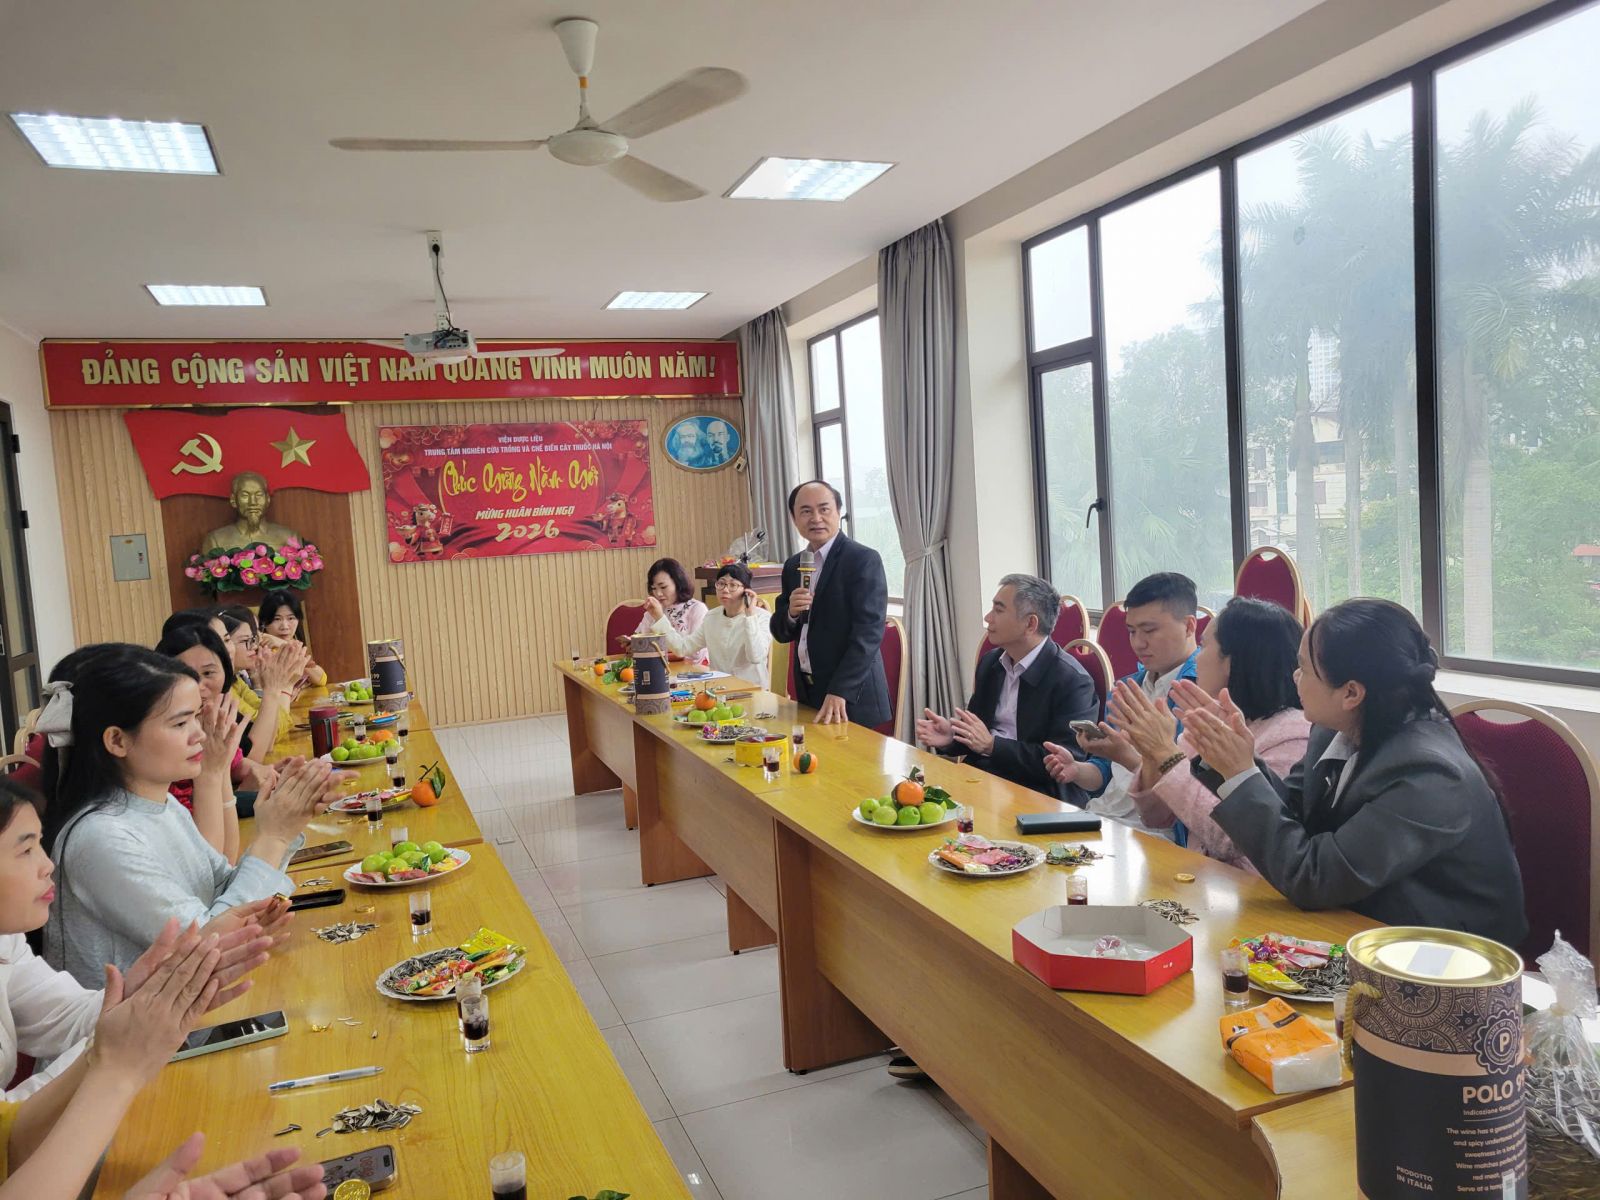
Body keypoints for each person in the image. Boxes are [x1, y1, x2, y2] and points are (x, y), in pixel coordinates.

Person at [1177, 598, 1527, 946]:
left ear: (1351, 693)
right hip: (1361, 927)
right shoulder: (1331, 731)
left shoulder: (1429, 775)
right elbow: (1293, 814)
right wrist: (1237, 759)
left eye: (1304, 669)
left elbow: (1313, 877)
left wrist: (1241, 776)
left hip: (1445, 955)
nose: (1295, 677)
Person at [39, 645, 339, 987]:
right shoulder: (99, 837)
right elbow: (206, 945)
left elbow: (221, 886)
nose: (199, 733)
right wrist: (274, 837)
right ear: (117, 740)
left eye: (197, 717)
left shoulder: (161, 803)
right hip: (145, 1017)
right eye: (181, 722)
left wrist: (284, 820)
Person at [0, 776, 278, 1104]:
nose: (47, 866)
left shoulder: (7, 941)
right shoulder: (99, 836)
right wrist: (117, 1050)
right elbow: (10, 1121)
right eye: (26, 850)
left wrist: (145, 995)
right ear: (117, 746)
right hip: (68, 1115)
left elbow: (63, 1016)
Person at [1114, 598, 1310, 871]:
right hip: (1204, 881)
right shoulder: (1214, 718)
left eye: (1204, 646)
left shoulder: (1292, 734)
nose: (1197, 658)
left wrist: (1166, 753)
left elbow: (1229, 838)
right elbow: (1155, 815)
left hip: (1251, 889)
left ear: (1231, 661)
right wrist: (1151, 751)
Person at [1043, 572, 1201, 836]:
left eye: (1149, 630)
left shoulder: (1200, 692)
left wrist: (1127, 756)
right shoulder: (1126, 687)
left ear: (1188, 626)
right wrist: (1077, 770)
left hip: (1156, 833)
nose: (1138, 643)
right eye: (1132, 631)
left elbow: (1191, 793)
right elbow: (1108, 772)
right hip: (1102, 818)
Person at [916, 574, 1099, 801]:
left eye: (998, 610)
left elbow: (1061, 762)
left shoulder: (1073, 681)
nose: (988, 618)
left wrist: (992, 746)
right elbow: (978, 734)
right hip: (985, 778)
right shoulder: (991, 663)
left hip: (1040, 793)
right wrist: (952, 737)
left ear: (1030, 624)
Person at [770, 480, 890, 728]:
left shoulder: (862, 559)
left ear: (839, 512)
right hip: (808, 690)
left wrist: (840, 690)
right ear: (794, 518)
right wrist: (791, 613)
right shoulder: (793, 565)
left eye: (824, 509)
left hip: (851, 697)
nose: (816, 518)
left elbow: (868, 633)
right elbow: (780, 632)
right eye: (806, 511)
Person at [647, 562, 772, 689]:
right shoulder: (712, 617)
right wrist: (659, 617)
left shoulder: (762, 617)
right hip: (720, 689)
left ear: (746, 592)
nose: (725, 590)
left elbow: (755, 657)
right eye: (721, 584)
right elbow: (682, 648)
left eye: (733, 585)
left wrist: (750, 617)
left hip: (753, 689)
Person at [216, 609, 305, 755]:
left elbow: (274, 728)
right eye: (245, 641)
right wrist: (284, 686)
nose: (255, 647)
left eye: (255, 638)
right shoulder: (221, 690)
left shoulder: (236, 681)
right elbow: (268, 737)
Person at [634, 558, 708, 666]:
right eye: (654, 588)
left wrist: (659, 618)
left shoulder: (697, 609)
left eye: (663, 587)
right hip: (658, 668)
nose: (658, 593)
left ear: (678, 583)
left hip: (693, 670)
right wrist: (632, 644)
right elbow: (640, 640)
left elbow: (695, 653)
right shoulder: (654, 609)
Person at [257, 590, 329, 687]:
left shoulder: (293, 643)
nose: (285, 626)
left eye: (291, 618)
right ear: (264, 622)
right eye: (277, 619)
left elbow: (321, 679)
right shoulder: (258, 649)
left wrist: (284, 645)